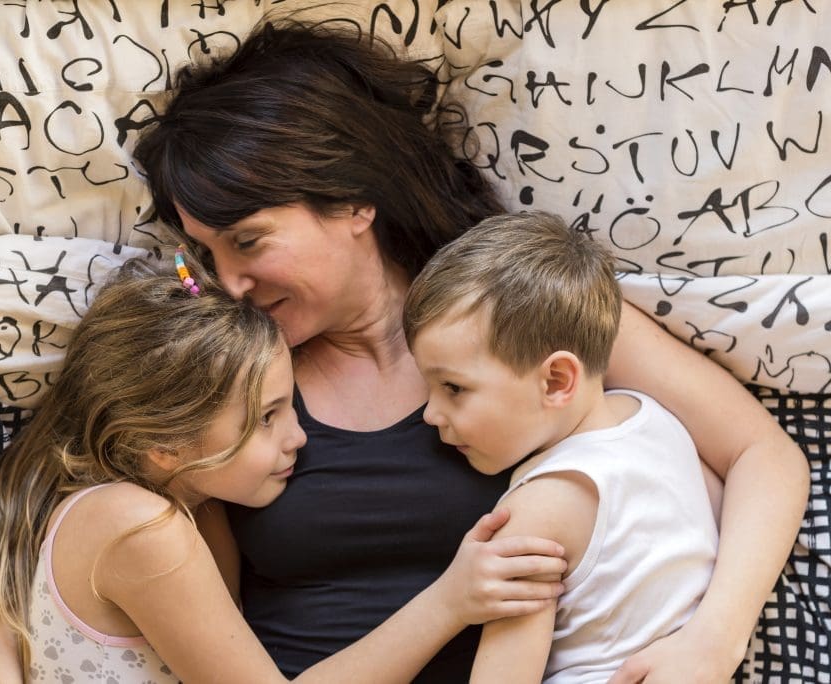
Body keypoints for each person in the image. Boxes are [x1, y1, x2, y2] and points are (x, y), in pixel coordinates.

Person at [132, 19, 809, 683]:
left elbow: (762, 455)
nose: (230, 284)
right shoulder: (224, 378)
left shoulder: (525, 314)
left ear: (351, 201)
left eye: (247, 241)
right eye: (207, 255)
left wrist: (714, 640)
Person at [0, 254, 567, 683]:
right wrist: (451, 602)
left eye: (291, 405)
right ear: (165, 445)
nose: (300, 437)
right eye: (266, 417)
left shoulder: (160, 509)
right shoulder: (141, 528)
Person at [404, 211, 721, 682]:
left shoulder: (536, 513)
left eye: (453, 388)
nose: (430, 414)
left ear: (556, 380)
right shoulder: (661, 423)